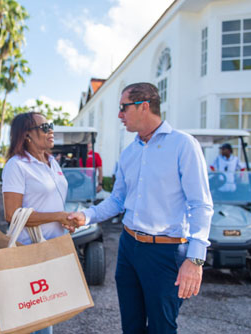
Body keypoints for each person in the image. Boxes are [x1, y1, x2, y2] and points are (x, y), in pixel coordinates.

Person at [69, 82, 213, 334]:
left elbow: (200, 204)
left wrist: (195, 258)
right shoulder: (128, 154)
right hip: (128, 249)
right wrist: (86, 216)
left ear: (144, 106)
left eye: (123, 108)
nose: (119, 115)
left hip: (165, 253)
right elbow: (116, 201)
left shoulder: (183, 145)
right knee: (131, 327)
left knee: (162, 328)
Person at [2, 112, 79, 334]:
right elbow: (12, 214)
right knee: (36, 318)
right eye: (45, 127)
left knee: (47, 312)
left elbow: (53, 201)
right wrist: (57, 216)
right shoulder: (16, 166)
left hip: (54, 247)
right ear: (26, 135)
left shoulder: (52, 162)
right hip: (31, 250)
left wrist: (65, 219)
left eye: (51, 125)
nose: (51, 130)